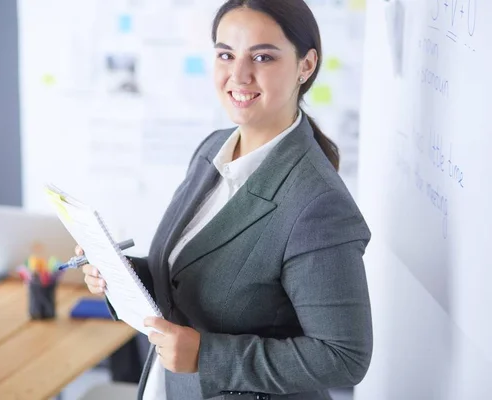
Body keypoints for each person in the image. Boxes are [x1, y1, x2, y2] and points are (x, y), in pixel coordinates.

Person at [78, 0, 373, 399]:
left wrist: (208, 356)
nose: (239, 75)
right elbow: (189, 281)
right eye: (225, 54)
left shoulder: (317, 204)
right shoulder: (213, 149)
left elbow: (343, 356)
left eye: (263, 57)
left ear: (306, 65)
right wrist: (118, 273)